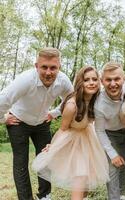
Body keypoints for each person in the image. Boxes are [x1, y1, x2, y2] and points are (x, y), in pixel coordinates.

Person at [0, 47, 73, 200]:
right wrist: (3, 118)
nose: (48, 72)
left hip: (42, 122)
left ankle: (45, 196)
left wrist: (55, 113)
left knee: (46, 159)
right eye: (44, 67)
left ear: (59, 67)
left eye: (53, 68)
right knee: (21, 162)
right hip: (18, 121)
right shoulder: (25, 80)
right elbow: (2, 101)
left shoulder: (63, 81)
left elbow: (71, 100)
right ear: (36, 66)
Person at [32, 66, 109, 200]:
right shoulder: (72, 105)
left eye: (94, 79)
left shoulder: (95, 100)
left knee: (86, 181)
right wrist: (53, 146)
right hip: (74, 142)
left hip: (88, 139)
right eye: (86, 80)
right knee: (79, 178)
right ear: (80, 83)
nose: (91, 82)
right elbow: (63, 128)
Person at [94, 62, 125, 200]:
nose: (113, 84)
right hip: (110, 134)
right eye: (108, 80)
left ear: (124, 79)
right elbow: (100, 131)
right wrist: (112, 154)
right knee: (114, 166)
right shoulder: (99, 104)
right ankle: (113, 197)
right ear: (102, 81)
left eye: (117, 79)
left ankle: (121, 193)